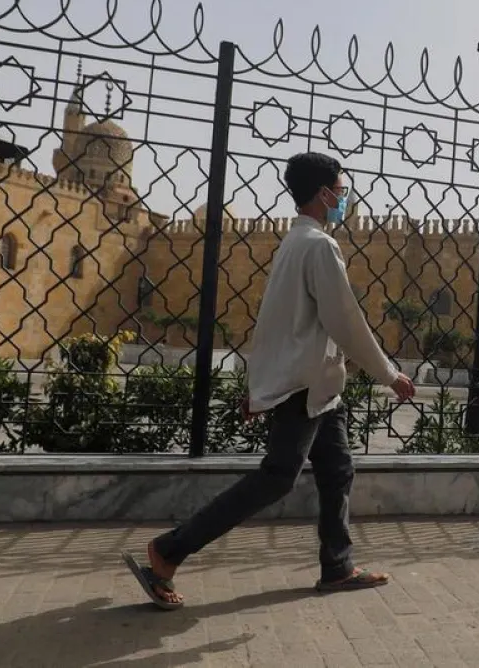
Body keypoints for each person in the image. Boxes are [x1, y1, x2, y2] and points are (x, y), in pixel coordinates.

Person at [123, 151, 416, 610]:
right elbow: (344, 320)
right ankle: (169, 550)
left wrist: (258, 385)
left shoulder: (293, 244)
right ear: (323, 195)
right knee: (277, 477)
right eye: (340, 191)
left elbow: (272, 325)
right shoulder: (318, 246)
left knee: (338, 469)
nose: (344, 198)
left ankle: (338, 566)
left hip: (320, 386)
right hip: (304, 385)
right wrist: (389, 373)